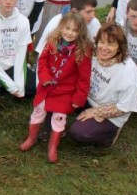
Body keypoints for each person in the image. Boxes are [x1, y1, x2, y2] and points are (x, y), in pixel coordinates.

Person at [19, 12, 93, 163]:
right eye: (67, 28)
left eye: (74, 30)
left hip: (65, 91)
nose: (70, 33)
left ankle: (53, 146)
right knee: (38, 110)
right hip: (47, 87)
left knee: (59, 117)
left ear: (80, 32)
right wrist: (45, 79)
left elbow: (84, 78)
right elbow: (43, 61)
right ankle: (32, 137)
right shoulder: (52, 41)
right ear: (61, 27)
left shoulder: (82, 51)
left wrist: (79, 98)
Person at [69, 23, 137, 147]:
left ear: (119, 47)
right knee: (60, 99)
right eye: (101, 42)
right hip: (89, 98)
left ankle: (110, 136)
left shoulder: (130, 72)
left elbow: (124, 107)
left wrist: (96, 112)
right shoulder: (94, 55)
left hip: (112, 112)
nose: (104, 48)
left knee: (78, 132)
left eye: (111, 44)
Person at [36, 0, 101, 55]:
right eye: (88, 12)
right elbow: (42, 54)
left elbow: (96, 51)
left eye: (94, 11)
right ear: (74, 11)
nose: (93, 16)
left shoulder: (94, 23)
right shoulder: (56, 23)